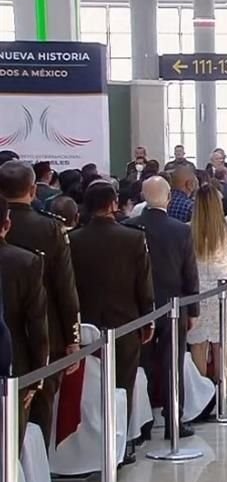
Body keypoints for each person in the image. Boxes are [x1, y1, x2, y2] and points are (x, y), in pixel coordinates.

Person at [71, 182, 154, 463]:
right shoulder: (132, 238)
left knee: (89, 387)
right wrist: (147, 319)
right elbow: (143, 284)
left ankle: (91, 444)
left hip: (85, 323)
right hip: (126, 322)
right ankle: (123, 444)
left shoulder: (73, 239)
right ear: (113, 203)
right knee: (124, 384)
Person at [0, 160, 80, 448]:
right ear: (33, 190)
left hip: (8, 334)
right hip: (46, 334)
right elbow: (64, 287)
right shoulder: (51, 229)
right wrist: (74, 338)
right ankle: (37, 481)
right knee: (41, 411)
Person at [127, 176, 201, 437]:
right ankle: (173, 420)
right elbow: (189, 272)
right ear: (168, 197)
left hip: (140, 308)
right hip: (174, 306)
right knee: (173, 364)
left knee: (142, 366)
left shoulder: (130, 227)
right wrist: (193, 310)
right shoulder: (180, 230)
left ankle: (143, 424)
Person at [0, 196, 48, 452]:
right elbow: (37, 322)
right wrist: (37, 375)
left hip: (13, 363)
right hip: (14, 364)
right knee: (9, 446)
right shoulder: (26, 262)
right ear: (7, 224)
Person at [185, 183, 227, 397]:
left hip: (196, 291)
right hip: (224, 290)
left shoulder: (187, 230)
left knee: (198, 345)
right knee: (223, 344)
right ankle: (223, 392)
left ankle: (200, 397)